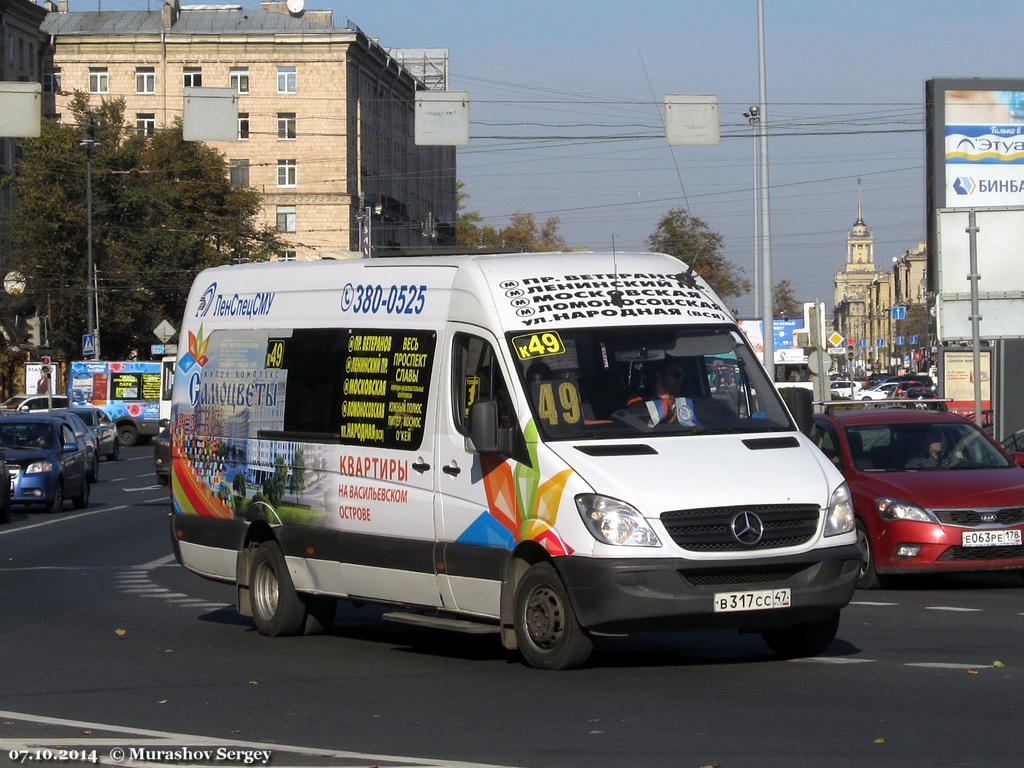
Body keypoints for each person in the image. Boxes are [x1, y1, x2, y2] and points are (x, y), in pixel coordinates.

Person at [626, 359, 698, 427]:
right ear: (659, 376)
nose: (681, 379)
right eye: (676, 375)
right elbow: (640, 428)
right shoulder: (638, 400)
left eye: (683, 375)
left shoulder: (688, 400)